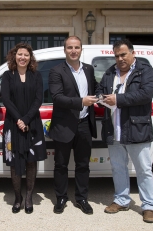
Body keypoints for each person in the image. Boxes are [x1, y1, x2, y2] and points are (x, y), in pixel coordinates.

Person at [96, 39, 153, 223]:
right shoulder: (110, 73)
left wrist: (118, 99)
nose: (120, 59)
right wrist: (101, 98)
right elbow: (100, 89)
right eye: (116, 55)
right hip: (114, 129)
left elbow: (146, 94)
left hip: (136, 128)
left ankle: (148, 206)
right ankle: (122, 200)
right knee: (118, 168)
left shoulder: (145, 70)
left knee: (144, 169)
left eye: (123, 54)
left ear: (132, 53)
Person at [49, 36, 99, 215]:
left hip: (84, 124)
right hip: (64, 125)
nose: (73, 51)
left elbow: (95, 87)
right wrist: (81, 101)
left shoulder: (89, 69)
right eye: (70, 47)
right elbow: (57, 97)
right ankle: (61, 197)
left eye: (76, 47)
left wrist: (103, 96)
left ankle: (82, 198)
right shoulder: (56, 71)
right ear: (65, 50)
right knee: (61, 165)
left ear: (81, 49)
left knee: (83, 164)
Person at [1, 43, 47, 214]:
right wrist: (19, 120)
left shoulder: (36, 76)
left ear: (30, 58)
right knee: (14, 163)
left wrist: (26, 119)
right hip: (13, 125)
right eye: (19, 54)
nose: (22, 57)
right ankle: (17, 197)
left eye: (26, 55)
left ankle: (28, 198)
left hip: (32, 124)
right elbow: (6, 99)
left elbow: (38, 99)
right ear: (14, 56)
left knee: (30, 162)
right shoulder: (7, 75)